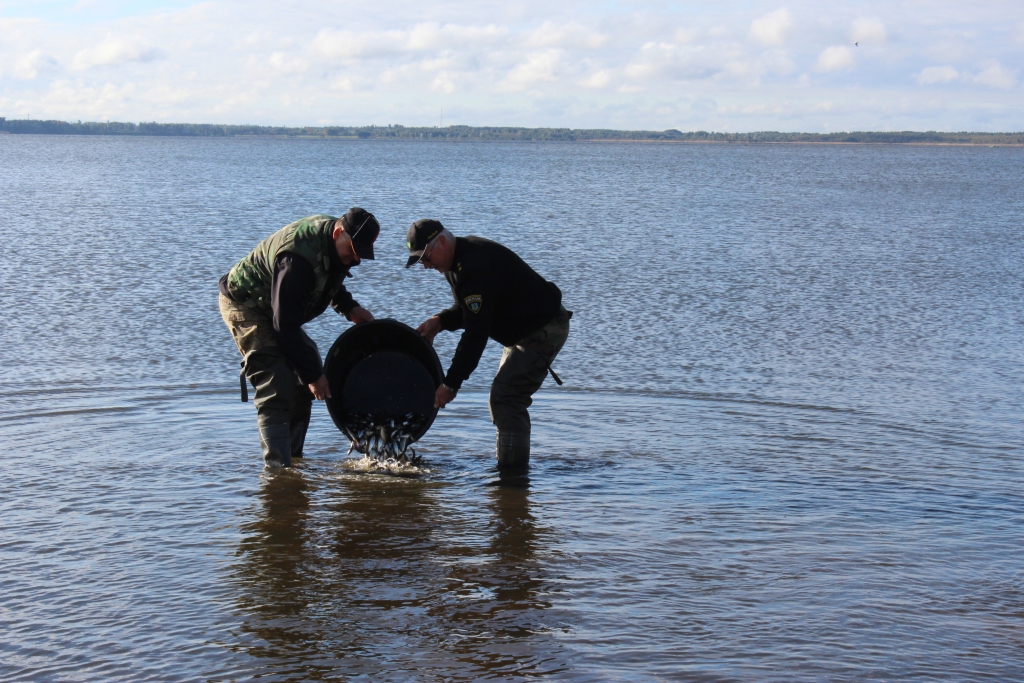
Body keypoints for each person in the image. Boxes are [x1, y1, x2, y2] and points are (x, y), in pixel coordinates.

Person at [406, 219, 570, 476]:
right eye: (420, 262)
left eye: (426, 258)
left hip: (544, 327)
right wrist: (440, 322)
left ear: (442, 242)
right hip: (520, 331)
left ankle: (512, 479)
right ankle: (509, 479)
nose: (426, 266)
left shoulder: (474, 266)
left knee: (506, 397)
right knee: (503, 398)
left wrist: (451, 384)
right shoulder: (455, 263)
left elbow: (476, 333)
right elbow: (470, 310)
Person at [219, 209, 380, 468]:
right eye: (352, 250)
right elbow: (284, 325)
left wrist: (349, 308)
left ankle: (293, 458)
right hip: (246, 304)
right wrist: (313, 377)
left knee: (305, 371)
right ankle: (277, 472)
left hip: (277, 310)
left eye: (360, 253)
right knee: (276, 377)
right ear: (338, 232)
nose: (354, 258)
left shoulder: (336, 247)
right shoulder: (297, 259)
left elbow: (328, 273)